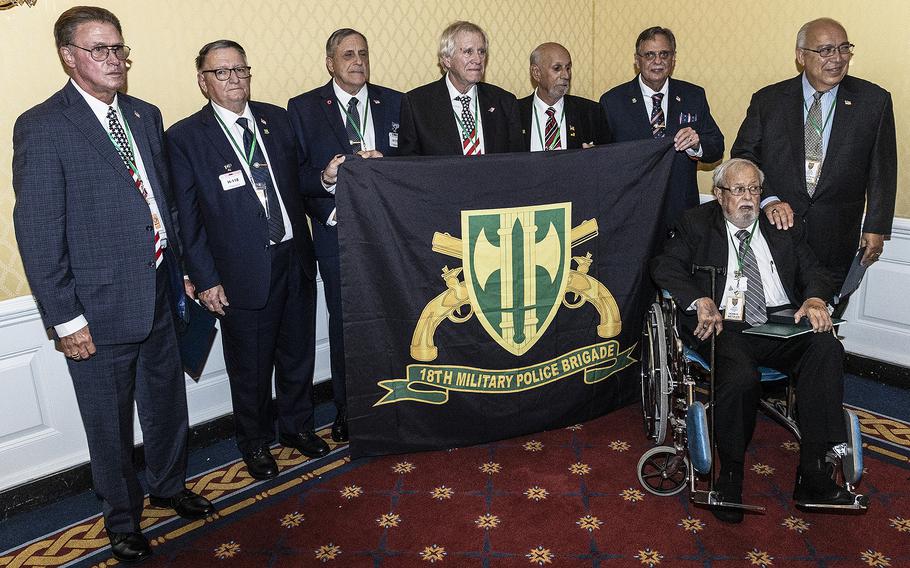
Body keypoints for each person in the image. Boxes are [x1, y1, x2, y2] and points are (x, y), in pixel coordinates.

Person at [11, 6, 213, 563]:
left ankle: (170, 487)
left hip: (161, 292)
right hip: (95, 312)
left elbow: (164, 205)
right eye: (98, 49)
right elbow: (38, 231)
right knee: (108, 422)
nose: (113, 59)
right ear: (68, 57)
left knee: (167, 404)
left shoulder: (145, 116)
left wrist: (185, 272)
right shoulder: (44, 125)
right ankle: (122, 520)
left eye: (118, 48)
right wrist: (66, 319)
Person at [650, 158, 861, 524]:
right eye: (738, 190)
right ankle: (730, 474)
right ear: (719, 195)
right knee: (741, 374)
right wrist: (700, 300)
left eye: (754, 190)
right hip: (724, 324)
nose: (747, 198)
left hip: (781, 322)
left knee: (826, 348)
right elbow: (664, 267)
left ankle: (814, 472)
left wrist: (813, 299)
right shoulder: (696, 224)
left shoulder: (780, 226)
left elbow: (815, 271)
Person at [167, 40, 328, 483]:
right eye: (222, 72)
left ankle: (297, 428)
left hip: (294, 258)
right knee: (251, 368)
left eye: (241, 69)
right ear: (203, 81)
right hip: (239, 274)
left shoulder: (277, 119)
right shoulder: (185, 138)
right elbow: (186, 217)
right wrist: (204, 278)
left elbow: (297, 180)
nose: (234, 78)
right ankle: (254, 443)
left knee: (298, 355)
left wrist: (325, 176)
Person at [287, 29, 402, 443]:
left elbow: (413, 163)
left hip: (389, 233)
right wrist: (327, 179)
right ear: (330, 63)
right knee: (347, 324)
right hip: (337, 233)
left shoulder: (394, 102)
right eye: (348, 54)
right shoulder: (302, 109)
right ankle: (349, 410)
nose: (358, 61)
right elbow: (295, 177)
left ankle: (399, 400)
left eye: (363, 53)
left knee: (396, 315)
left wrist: (386, 163)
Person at [731, 17, 896, 291]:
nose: (837, 58)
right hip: (777, 233)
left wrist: (876, 227)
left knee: (824, 317)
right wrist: (768, 200)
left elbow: (883, 171)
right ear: (800, 56)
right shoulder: (768, 100)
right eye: (826, 50)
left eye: (844, 49)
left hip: (837, 236)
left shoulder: (873, 101)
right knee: (777, 319)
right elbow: (744, 157)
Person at [600, 26, 723, 229]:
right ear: (636, 59)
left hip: (680, 211)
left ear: (673, 58)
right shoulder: (612, 101)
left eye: (664, 54)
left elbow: (716, 146)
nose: (657, 61)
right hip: (631, 213)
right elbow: (603, 160)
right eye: (649, 55)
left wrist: (697, 144)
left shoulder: (693, 95)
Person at [398, 20, 523, 156]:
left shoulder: (504, 102)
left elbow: (517, 161)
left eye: (481, 52)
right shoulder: (416, 104)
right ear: (447, 59)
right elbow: (410, 165)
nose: (478, 59)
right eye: (468, 52)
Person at [518, 42, 611, 151]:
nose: (566, 75)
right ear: (536, 73)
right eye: (557, 68)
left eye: (568, 68)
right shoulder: (515, 112)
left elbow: (609, 157)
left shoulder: (591, 112)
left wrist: (597, 156)